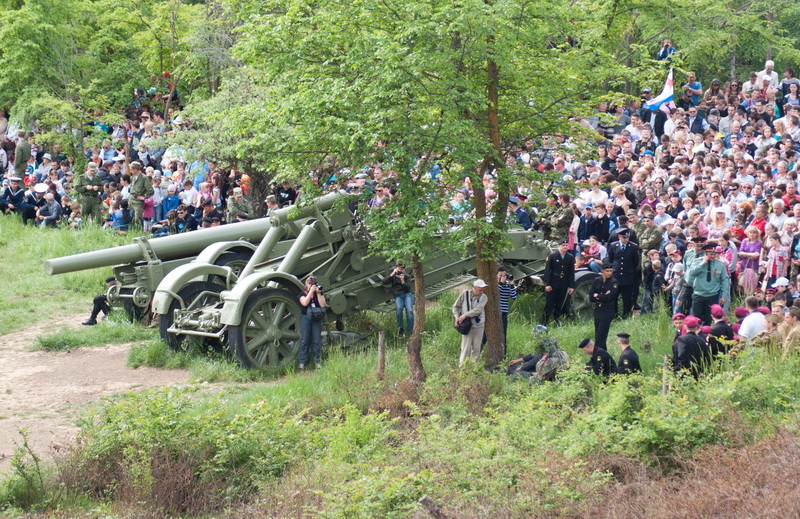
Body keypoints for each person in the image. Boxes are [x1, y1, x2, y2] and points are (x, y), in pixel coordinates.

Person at [686, 242, 730, 325]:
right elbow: (691, 273)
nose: (713, 256)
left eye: (714, 254)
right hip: (698, 294)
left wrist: (724, 296)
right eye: (710, 254)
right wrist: (702, 263)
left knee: (708, 320)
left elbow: (724, 280)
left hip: (712, 295)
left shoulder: (720, 265)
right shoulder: (697, 262)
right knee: (696, 319)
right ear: (706, 254)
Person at [452, 279, 489, 366]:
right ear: (474, 288)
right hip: (467, 326)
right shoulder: (465, 294)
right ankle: (463, 368)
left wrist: (465, 315)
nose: (482, 291)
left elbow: (478, 310)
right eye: (481, 290)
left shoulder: (484, 297)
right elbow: (455, 307)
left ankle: (473, 369)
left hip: (479, 326)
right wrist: (457, 317)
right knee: (465, 348)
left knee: (476, 349)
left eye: (483, 289)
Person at [542, 238, 575, 325]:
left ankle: (556, 319)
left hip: (564, 282)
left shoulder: (570, 257)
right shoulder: (552, 256)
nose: (565, 247)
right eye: (563, 245)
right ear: (558, 246)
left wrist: (572, 286)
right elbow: (548, 271)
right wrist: (548, 284)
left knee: (560, 303)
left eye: (566, 245)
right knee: (550, 302)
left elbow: (572, 272)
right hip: (553, 281)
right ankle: (545, 321)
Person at [607, 229, 640, 318]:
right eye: (624, 237)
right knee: (614, 297)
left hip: (627, 275)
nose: (626, 239)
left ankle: (626, 315)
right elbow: (611, 259)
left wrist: (629, 270)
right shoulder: (614, 245)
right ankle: (614, 315)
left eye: (627, 237)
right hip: (616, 275)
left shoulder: (633, 246)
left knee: (627, 298)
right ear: (619, 237)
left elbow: (635, 262)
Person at [298, 274, 326, 369]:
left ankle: (317, 362)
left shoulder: (319, 293)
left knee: (316, 340)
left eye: (313, 283)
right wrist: (310, 292)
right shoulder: (302, 294)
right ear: (306, 284)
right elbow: (305, 302)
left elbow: (322, 305)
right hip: (306, 317)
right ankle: (302, 362)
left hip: (316, 318)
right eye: (309, 283)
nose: (311, 284)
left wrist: (318, 293)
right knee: (304, 340)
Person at [590, 261, 618, 351]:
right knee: (597, 334)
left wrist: (597, 295)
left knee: (601, 336)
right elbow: (591, 297)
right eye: (607, 271)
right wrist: (600, 296)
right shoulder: (597, 280)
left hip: (607, 311)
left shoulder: (614, 283)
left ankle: (599, 354)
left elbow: (608, 298)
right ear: (602, 271)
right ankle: (602, 353)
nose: (609, 273)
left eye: (611, 271)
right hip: (598, 310)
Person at [383, 262, 414, 336]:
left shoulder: (407, 276)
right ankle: (401, 329)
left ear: (404, 269)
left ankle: (411, 330)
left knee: (409, 310)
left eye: (402, 269)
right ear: (396, 268)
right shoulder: (393, 276)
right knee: (399, 309)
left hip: (407, 295)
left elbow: (408, 288)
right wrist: (392, 274)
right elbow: (384, 282)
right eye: (399, 269)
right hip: (398, 296)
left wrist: (403, 281)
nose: (400, 271)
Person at [672, 315, 708, 379]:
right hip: (698, 372)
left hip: (686, 372)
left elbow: (681, 356)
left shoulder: (682, 339)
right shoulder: (701, 340)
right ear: (696, 327)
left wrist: (678, 371)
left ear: (685, 326)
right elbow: (706, 356)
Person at [497, 266, 518, 351]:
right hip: (495, 312)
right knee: (486, 335)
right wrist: (501, 283)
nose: (503, 277)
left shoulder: (507, 285)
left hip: (504, 312)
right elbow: (496, 294)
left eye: (504, 275)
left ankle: (503, 355)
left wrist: (512, 285)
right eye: (500, 275)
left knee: (503, 334)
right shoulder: (494, 284)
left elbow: (514, 298)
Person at [128, 161, 154, 228]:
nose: (130, 171)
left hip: (138, 201)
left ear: (136, 169)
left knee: (138, 220)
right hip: (131, 199)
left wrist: (144, 197)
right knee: (131, 218)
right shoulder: (132, 177)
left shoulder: (144, 178)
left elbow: (151, 191)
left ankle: (139, 233)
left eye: (131, 169)